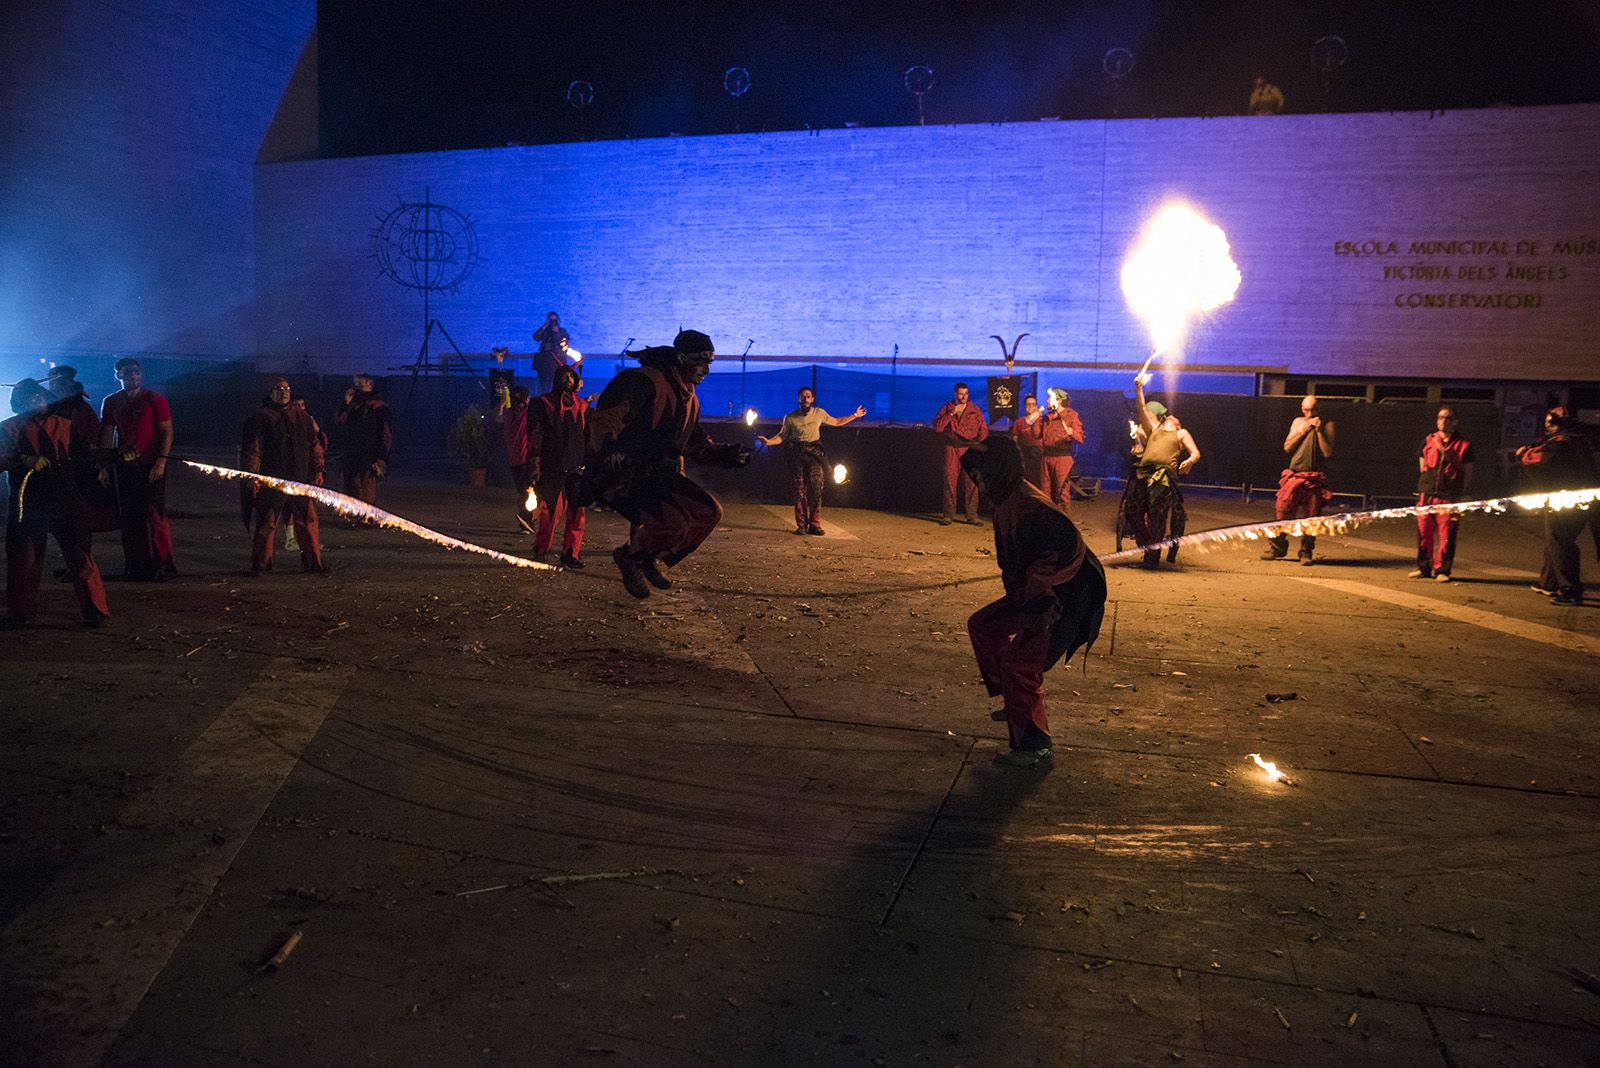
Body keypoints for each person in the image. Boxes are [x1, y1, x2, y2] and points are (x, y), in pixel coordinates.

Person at [962, 436, 1106, 768]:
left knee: (1019, 666)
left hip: (1064, 601)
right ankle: (1012, 698)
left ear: (999, 471)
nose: (978, 481)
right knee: (983, 626)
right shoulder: (1006, 499)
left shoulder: (1033, 508)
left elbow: (1062, 550)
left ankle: (1034, 747)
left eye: (982, 473)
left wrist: (1035, 598)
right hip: (1032, 594)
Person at [581, 330, 752, 598]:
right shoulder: (644, 381)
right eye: (700, 361)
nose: (705, 369)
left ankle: (650, 557)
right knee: (672, 523)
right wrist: (609, 449)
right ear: (682, 358)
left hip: (660, 475)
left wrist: (727, 454)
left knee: (709, 512)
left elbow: (694, 445)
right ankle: (632, 558)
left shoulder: (689, 399)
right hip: (625, 475)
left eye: (709, 362)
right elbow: (607, 418)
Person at [2, 379, 110, 628]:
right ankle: (20, 613)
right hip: (28, 504)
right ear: (19, 403)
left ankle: (95, 610)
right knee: (24, 559)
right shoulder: (8, 428)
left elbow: (87, 455)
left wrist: (118, 455)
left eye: (38, 396)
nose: (36, 401)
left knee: (81, 556)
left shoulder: (64, 425)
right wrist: (22, 460)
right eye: (30, 398)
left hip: (66, 500)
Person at [240, 376, 329, 576]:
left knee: (307, 521)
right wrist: (252, 476)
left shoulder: (303, 417)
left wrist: (318, 469)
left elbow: (314, 445)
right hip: (273, 480)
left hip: (301, 478)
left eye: (287, 388)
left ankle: (313, 563)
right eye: (279, 388)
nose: (284, 392)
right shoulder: (261, 418)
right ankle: (261, 564)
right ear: (270, 392)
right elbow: (254, 450)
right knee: (268, 523)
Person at [99, 357, 176, 581]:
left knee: (156, 515)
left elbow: (167, 432)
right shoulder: (112, 401)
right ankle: (136, 564)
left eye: (137, 371)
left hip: (150, 466)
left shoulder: (154, 399)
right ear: (118, 375)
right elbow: (106, 434)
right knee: (131, 518)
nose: (134, 375)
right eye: (128, 372)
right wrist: (103, 464)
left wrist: (161, 462)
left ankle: (163, 563)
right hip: (126, 466)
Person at [758, 387, 865, 535]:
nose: (805, 398)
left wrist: (854, 415)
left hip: (814, 455)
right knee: (799, 491)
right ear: (798, 399)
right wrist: (768, 442)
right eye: (802, 396)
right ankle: (801, 525)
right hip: (797, 455)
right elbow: (782, 436)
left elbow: (837, 421)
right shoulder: (790, 417)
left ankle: (814, 525)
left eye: (808, 396)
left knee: (816, 489)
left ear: (812, 399)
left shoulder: (819, 413)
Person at [1518, 406, 1596, 605]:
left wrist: (1524, 454)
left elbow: (1538, 461)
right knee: (1555, 540)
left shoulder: (1562, 443)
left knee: (1561, 541)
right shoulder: (1579, 440)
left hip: (1566, 502)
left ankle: (1570, 590)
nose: (1547, 427)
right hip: (1581, 500)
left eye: (1549, 423)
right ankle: (1548, 582)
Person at [1123, 373, 1200, 567]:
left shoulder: (1181, 433)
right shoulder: (1153, 430)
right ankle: (1149, 544)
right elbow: (1140, 407)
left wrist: (1189, 461)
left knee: (1157, 517)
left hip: (1163, 478)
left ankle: (1152, 558)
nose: (1172, 418)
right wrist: (1138, 388)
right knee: (1131, 510)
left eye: (1175, 418)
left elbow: (1196, 453)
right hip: (1143, 474)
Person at [528, 365, 589, 567]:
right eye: (564, 376)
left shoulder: (582, 406)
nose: (568, 380)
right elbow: (535, 435)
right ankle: (541, 550)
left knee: (577, 513)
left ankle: (571, 553)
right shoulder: (542, 403)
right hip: (552, 466)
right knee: (550, 513)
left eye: (571, 377)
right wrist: (535, 465)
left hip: (575, 467)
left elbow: (589, 436)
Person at [1262, 395, 1334, 565]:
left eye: (1312, 410)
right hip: (1294, 475)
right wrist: (1304, 430)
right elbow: (1287, 447)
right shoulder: (1297, 422)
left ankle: (1305, 552)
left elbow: (1327, 452)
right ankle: (1277, 548)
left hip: (1314, 478)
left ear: (1319, 409)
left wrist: (1318, 431)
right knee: (1283, 510)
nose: (1309, 413)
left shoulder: (1328, 425)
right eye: (1305, 409)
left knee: (1311, 517)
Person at [1410, 407, 1475, 582]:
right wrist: (1426, 486)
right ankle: (1423, 568)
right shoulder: (1428, 440)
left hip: (1449, 496)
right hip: (1427, 495)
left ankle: (1442, 570)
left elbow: (1468, 472)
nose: (1443, 421)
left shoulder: (1464, 445)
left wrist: (1460, 492)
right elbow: (1423, 466)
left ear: (1455, 422)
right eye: (1440, 417)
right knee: (1424, 533)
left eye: (1448, 418)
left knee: (1447, 535)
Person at [932, 382, 989, 525]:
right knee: (950, 482)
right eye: (961, 393)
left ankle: (972, 516)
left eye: (966, 393)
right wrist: (951, 413)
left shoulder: (974, 410)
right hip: (952, 448)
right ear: (955, 394)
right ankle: (948, 515)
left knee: (972, 483)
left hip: (970, 448)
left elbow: (983, 430)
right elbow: (938, 428)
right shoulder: (947, 408)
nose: (964, 396)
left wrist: (983, 447)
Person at [335, 374, 393, 507]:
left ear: (369, 385)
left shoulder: (378, 407)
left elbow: (386, 434)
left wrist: (381, 457)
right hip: (351, 452)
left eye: (359, 386)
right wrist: (346, 404)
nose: (355, 390)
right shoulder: (353, 406)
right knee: (349, 484)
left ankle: (366, 517)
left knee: (365, 486)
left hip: (369, 454)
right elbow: (339, 421)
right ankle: (352, 514)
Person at [1037, 388, 1085, 514]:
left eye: (1049, 397)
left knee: (1061, 493)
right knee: (1045, 491)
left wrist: (1072, 432)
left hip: (1062, 459)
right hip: (1046, 457)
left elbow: (1080, 438)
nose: (1047, 400)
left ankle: (1064, 524)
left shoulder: (1071, 415)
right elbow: (1036, 434)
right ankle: (1047, 520)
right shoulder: (1047, 417)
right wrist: (1037, 416)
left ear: (1058, 400)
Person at [496, 382, 535, 533]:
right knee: (528, 491)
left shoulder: (509, 414)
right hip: (527, 460)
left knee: (524, 491)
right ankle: (526, 520)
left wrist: (503, 403)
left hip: (515, 461)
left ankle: (527, 519)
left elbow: (498, 418)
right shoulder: (527, 412)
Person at [532, 311, 571, 395]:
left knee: (558, 380)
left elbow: (565, 341)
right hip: (545, 360)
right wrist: (544, 326)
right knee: (544, 382)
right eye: (551, 320)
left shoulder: (562, 331)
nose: (553, 322)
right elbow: (535, 337)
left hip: (557, 360)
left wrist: (557, 332)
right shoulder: (545, 331)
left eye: (554, 320)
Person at [1012, 394, 1045, 488]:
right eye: (1028, 404)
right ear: (1024, 406)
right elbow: (1015, 440)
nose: (1030, 406)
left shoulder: (1042, 421)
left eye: (1033, 404)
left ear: (1036, 406)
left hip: (1039, 455)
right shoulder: (1019, 422)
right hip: (1024, 455)